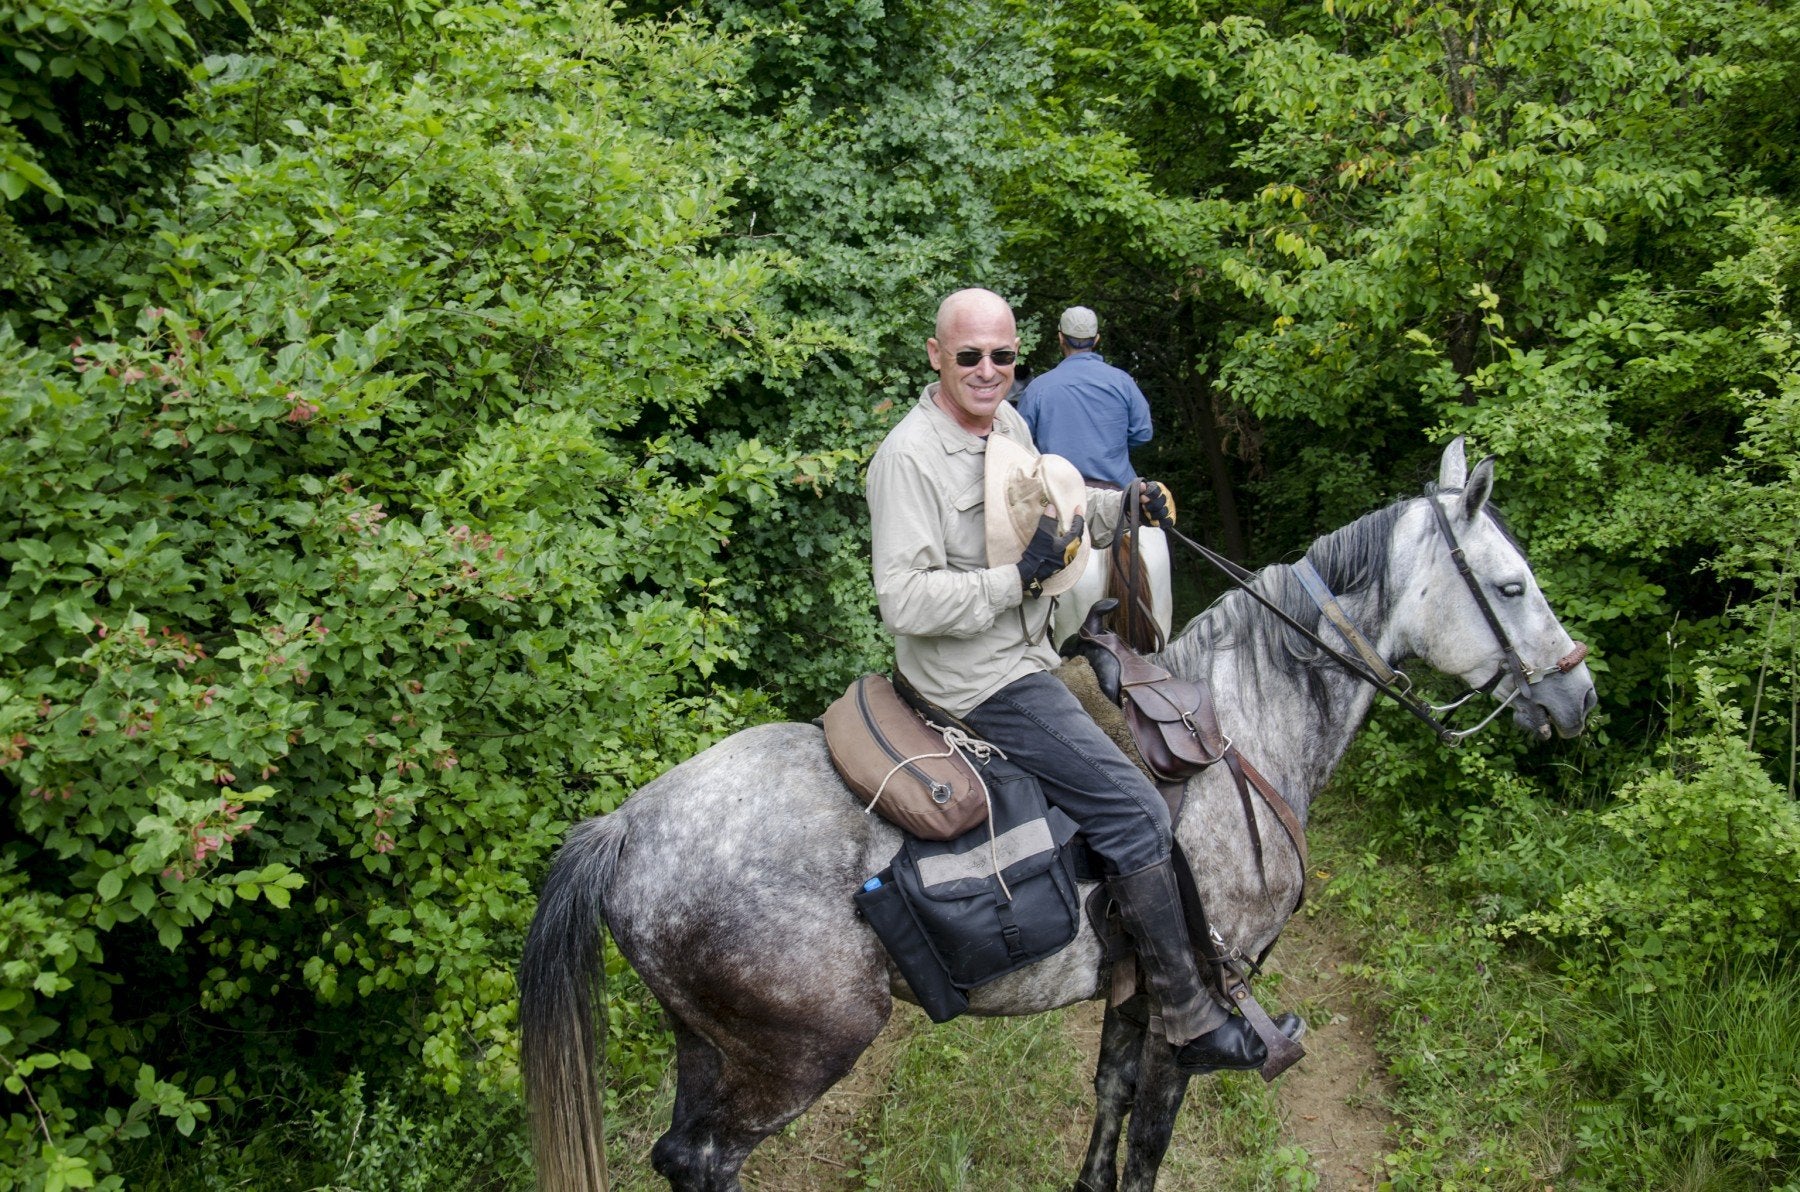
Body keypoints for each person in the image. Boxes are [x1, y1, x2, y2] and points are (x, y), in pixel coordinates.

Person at [864, 287, 1271, 1074]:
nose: (989, 370)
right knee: (1136, 809)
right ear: (935, 355)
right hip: (978, 678)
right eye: (970, 355)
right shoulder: (908, 457)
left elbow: (1060, 504)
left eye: (1003, 355)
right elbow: (903, 599)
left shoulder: (1011, 423)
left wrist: (1126, 505)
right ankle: (1186, 1014)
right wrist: (1015, 580)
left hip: (1030, 651)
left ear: (1023, 355)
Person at [1018, 306, 1172, 651]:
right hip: (1124, 504)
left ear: (1060, 340)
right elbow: (1143, 434)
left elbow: (1020, 452)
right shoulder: (1122, 382)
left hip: (1064, 511)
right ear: (1096, 340)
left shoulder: (1039, 389)